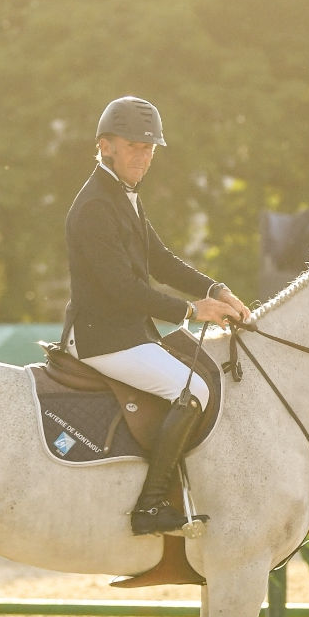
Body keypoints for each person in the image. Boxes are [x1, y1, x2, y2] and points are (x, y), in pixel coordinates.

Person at [62, 96, 251, 536]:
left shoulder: (123, 196)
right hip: (101, 338)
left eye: (150, 149)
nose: (144, 157)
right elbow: (121, 289)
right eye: (134, 147)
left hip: (126, 332)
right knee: (194, 389)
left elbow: (161, 261)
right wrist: (191, 309)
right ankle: (149, 507)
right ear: (105, 145)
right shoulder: (94, 205)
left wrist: (214, 288)